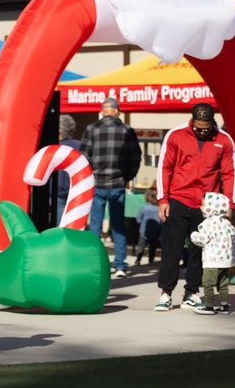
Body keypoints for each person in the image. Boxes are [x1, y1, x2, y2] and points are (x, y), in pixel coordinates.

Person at [154, 103, 235, 312]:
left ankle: (191, 292)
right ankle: (166, 293)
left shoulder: (224, 140)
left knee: (200, 251)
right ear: (192, 122)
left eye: (206, 129)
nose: (202, 132)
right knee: (172, 248)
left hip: (207, 205)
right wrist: (163, 199)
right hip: (178, 199)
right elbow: (165, 167)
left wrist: (229, 204)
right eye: (198, 128)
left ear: (212, 123)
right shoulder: (175, 135)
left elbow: (229, 173)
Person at [79, 97, 141, 278]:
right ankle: (120, 265)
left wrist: (90, 177)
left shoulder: (91, 130)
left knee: (95, 227)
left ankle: (92, 262)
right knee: (118, 226)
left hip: (96, 184)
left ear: (102, 112)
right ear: (117, 112)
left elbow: (83, 157)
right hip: (117, 184)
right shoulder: (126, 130)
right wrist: (127, 177)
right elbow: (135, 158)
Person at [190, 191, 235, 315]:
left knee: (208, 283)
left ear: (212, 207)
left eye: (203, 205)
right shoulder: (227, 223)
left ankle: (209, 306)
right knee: (223, 283)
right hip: (225, 260)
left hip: (212, 259)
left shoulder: (207, 224)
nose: (201, 207)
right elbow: (233, 234)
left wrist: (194, 235)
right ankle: (224, 305)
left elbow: (202, 240)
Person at [54, 114, 82, 224]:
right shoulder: (80, 146)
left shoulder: (55, 148)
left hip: (59, 192)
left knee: (60, 225)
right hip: (76, 191)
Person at [135, 185, 162, 265]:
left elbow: (138, 219)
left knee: (141, 246)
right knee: (152, 247)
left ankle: (138, 259)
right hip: (156, 232)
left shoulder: (144, 208)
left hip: (143, 231)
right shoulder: (159, 209)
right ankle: (151, 259)